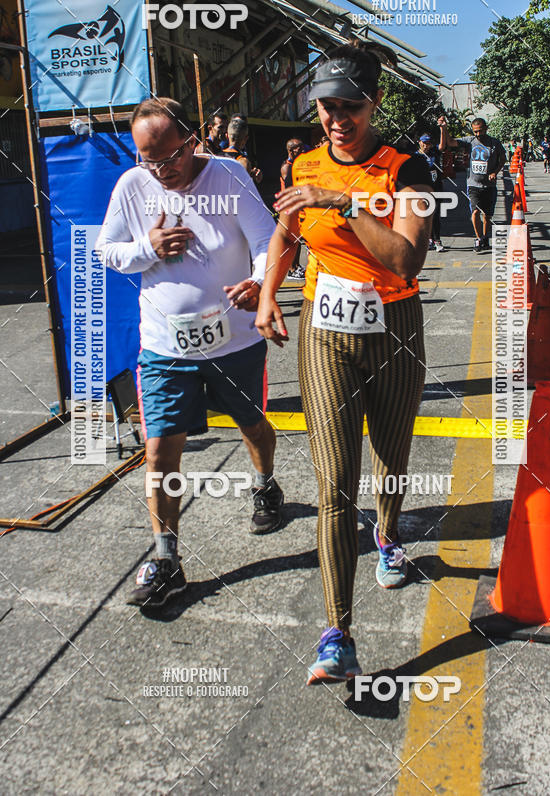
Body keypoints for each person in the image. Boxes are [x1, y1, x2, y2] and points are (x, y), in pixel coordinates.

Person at [255, 43, 433, 683]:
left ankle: (388, 534)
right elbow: (286, 232)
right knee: (333, 483)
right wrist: (268, 294)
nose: (336, 119)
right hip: (324, 331)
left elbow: (405, 260)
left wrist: (344, 203)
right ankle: (338, 634)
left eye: (349, 107)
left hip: (394, 329)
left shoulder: (406, 170)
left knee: (390, 457)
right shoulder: (302, 165)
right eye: (327, 107)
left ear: (374, 104)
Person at [97, 97, 285, 609]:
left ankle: (265, 484)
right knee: (159, 451)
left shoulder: (229, 176)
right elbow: (107, 250)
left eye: (171, 156)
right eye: (148, 159)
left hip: (235, 339)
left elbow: (267, 240)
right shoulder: (132, 186)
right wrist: (149, 248)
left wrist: (258, 283)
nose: (161, 170)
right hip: (164, 345)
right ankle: (166, 559)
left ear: (193, 139)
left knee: (252, 425)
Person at [439, 116, 506, 253]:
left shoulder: (494, 143)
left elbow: (503, 159)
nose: (478, 134)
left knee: (487, 215)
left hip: (489, 185)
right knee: (475, 212)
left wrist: (495, 172)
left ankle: (485, 237)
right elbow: (450, 142)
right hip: (473, 184)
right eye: (475, 131)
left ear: (486, 129)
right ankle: (478, 238)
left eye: (480, 131)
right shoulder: (470, 141)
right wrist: (444, 128)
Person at [280, 138, 306, 281]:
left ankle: (296, 265)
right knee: (292, 238)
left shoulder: (297, 164)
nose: (302, 149)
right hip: (289, 206)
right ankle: (291, 268)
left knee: (298, 238)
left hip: (297, 204)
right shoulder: (287, 166)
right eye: (299, 148)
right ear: (291, 150)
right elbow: (290, 186)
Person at [416, 133, 446, 252]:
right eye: (424, 143)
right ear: (419, 142)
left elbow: (442, 146)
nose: (426, 146)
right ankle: (429, 239)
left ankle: (437, 240)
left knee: (435, 215)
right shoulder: (415, 156)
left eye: (428, 143)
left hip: (436, 189)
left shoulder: (434, 153)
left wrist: (442, 129)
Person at [224, 117, 263, 185]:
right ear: (246, 138)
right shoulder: (243, 162)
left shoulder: (215, 156)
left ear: (226, 136)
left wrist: (250, 173)